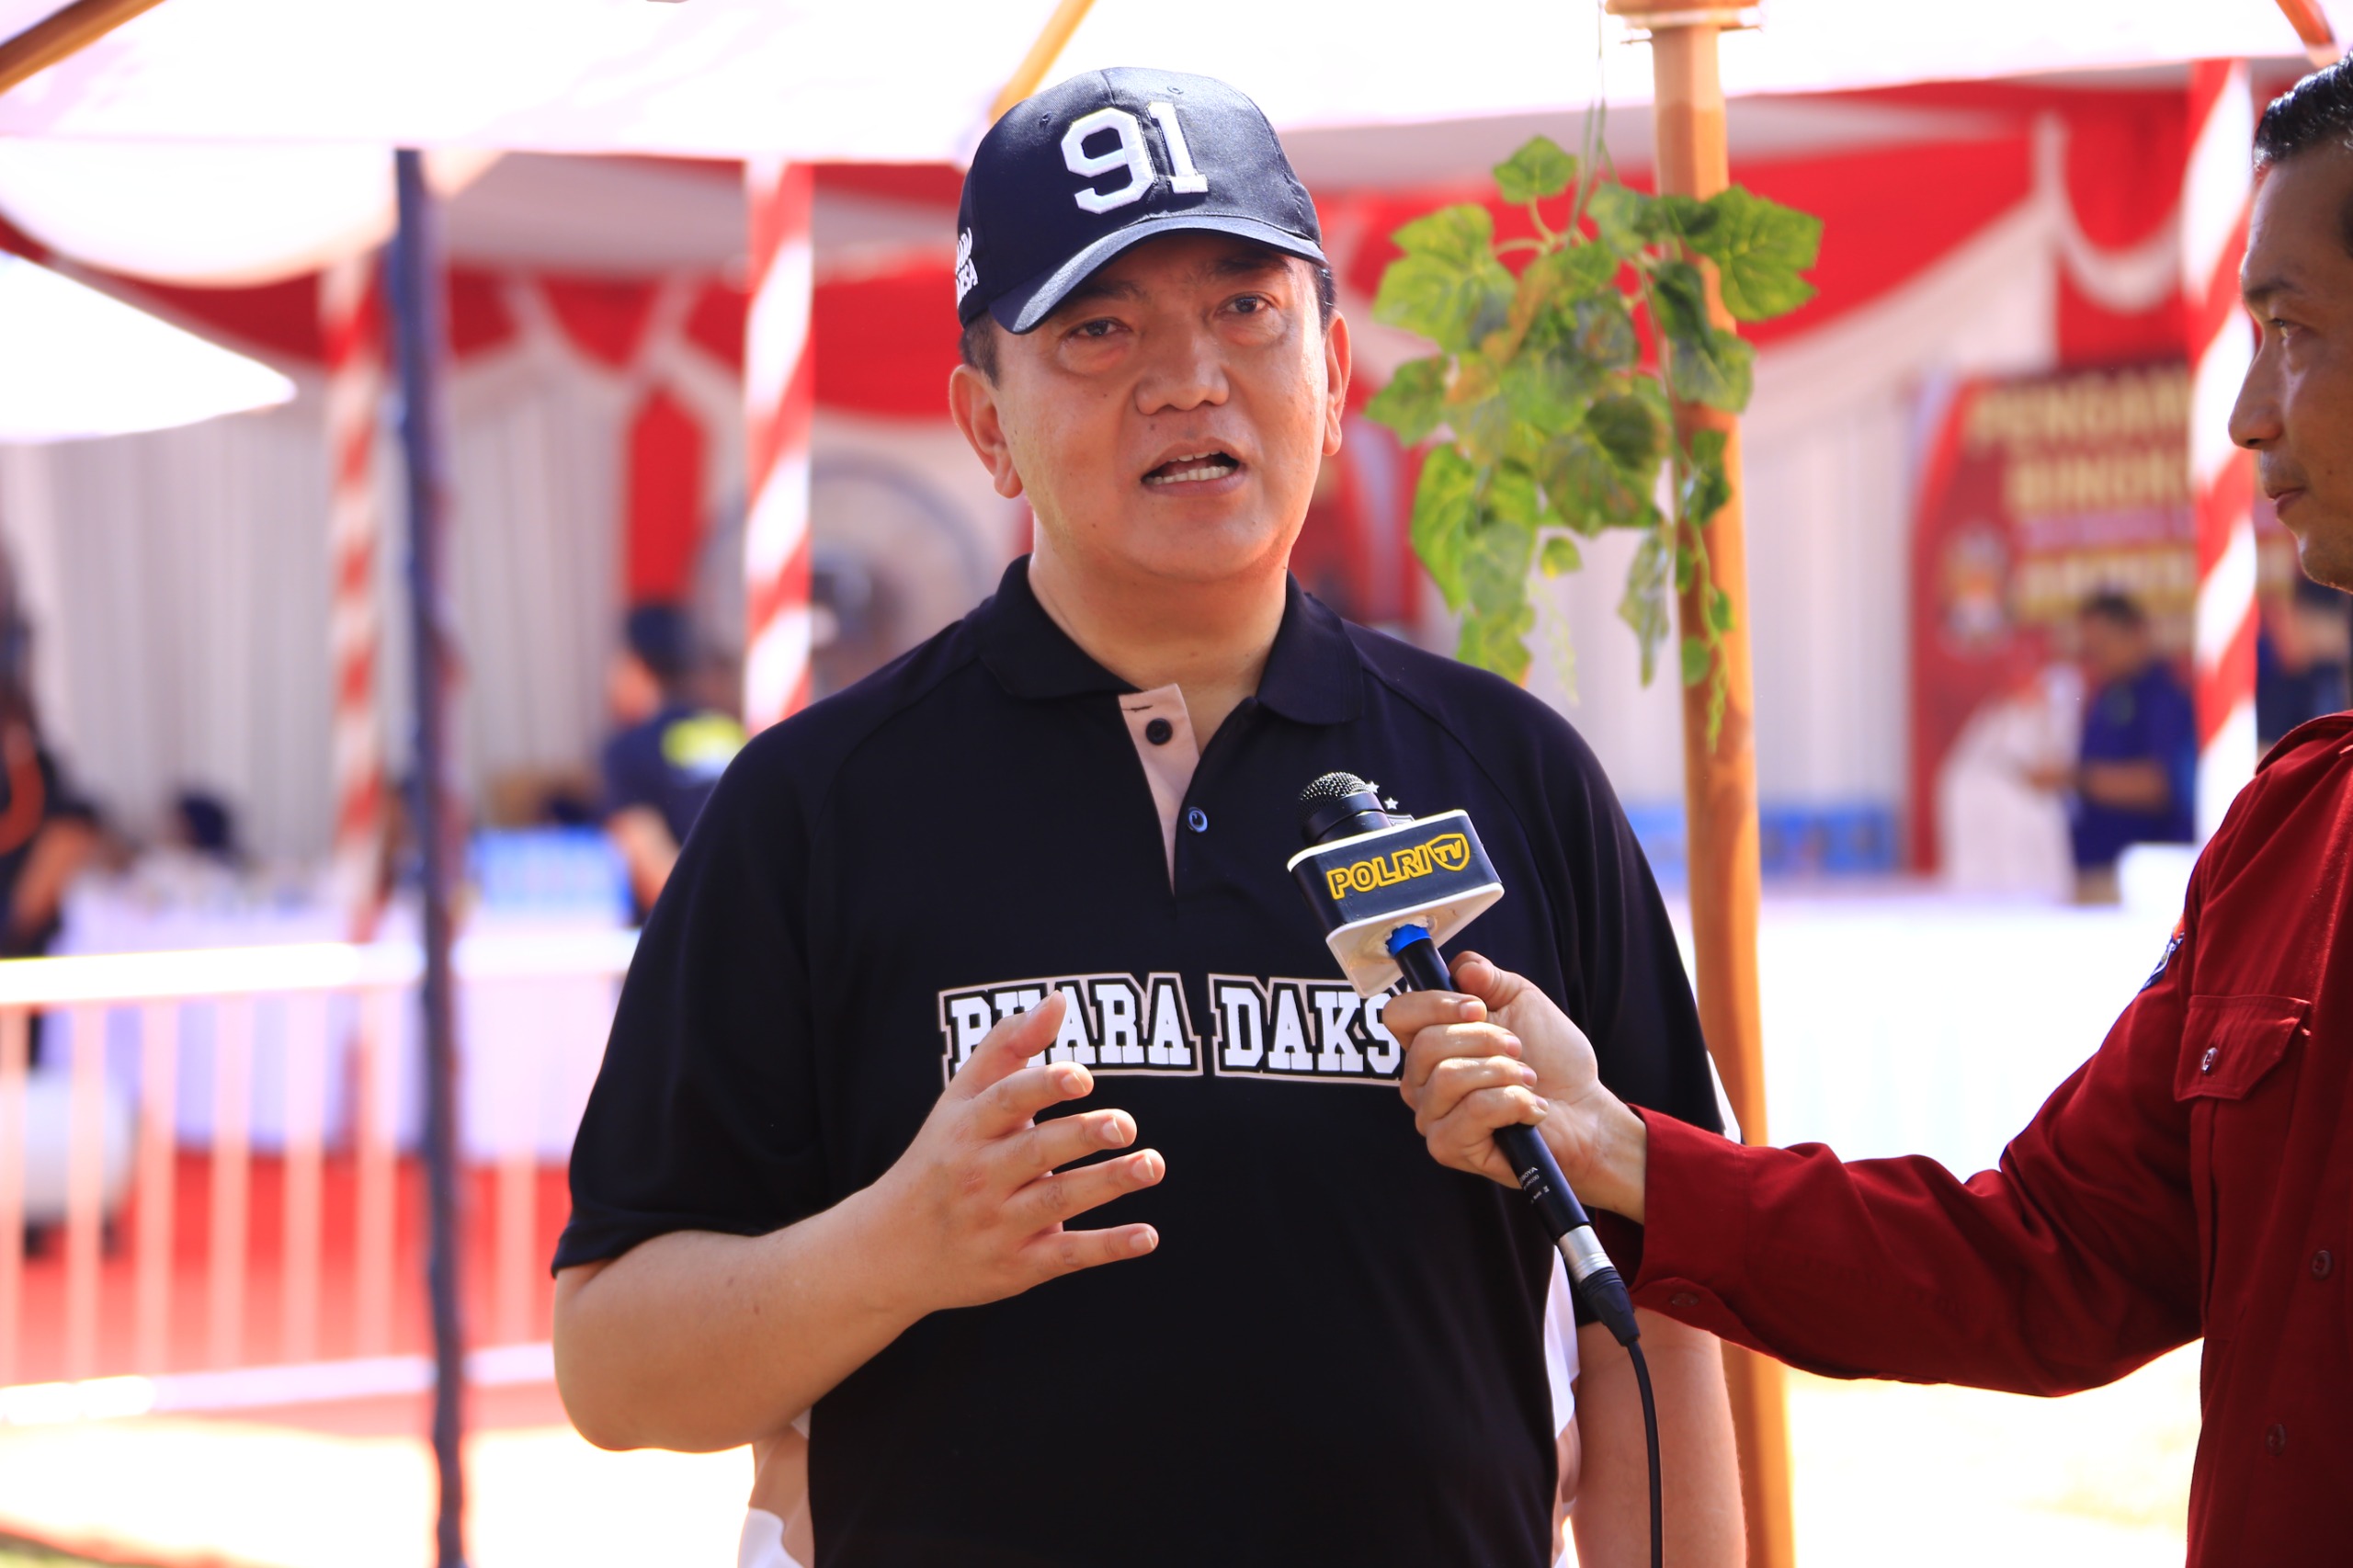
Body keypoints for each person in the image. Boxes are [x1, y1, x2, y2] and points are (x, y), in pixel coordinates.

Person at [552, 69, 1742, 1568]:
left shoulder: (1514, 776)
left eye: (1246, 308)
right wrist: (893, 1249)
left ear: (1335, 369)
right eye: (1098, 329)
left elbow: (1664, 1308)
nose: (1188, 378)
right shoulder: (814, 807)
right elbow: (611, 1362)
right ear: (986, 424)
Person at [1384, 57, 2353, 1568]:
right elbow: (2039, 1256)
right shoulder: (2293, 840)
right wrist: (1617, 1145)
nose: (2242, 415)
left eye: (2292, 331)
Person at [2026, 591, 2194, 902]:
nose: (2096, 658)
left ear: (2136, 634)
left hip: (2140, 880)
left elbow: (2160, 784)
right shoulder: (2107, 694)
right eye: (2089, 649)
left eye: (2102, 646)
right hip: (2093, 869)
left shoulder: (2163, 698)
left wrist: (2074, 778)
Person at [598, 603, 745, 920]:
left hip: (689, 935)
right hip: (756, 927)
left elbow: (656, 877)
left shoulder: (629, 750)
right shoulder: (735, 734)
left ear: (636, 665)